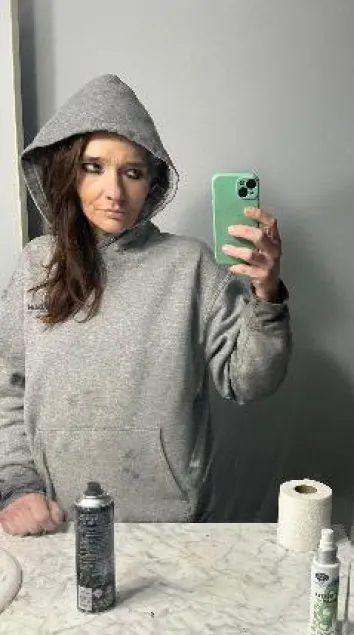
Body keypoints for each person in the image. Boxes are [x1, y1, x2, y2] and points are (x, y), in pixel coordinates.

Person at [0, 74, 291, 535]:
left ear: (152, 182)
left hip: (170, 526)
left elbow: (249, 382)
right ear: (68, 171)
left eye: (132, 172)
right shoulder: (38, 263)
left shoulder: (189, 265)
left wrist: (266, 295)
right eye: (94, 167)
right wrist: (18, 487)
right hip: (54, 524)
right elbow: (7, 388)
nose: (114, 191)